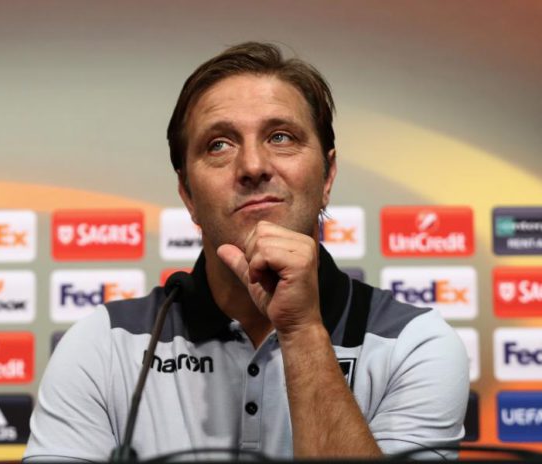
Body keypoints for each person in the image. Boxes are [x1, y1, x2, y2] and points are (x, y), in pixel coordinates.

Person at [24, 42, 469, 461]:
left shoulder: (413, 344)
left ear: (328, 175)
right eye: (219, 144)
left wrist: (301, 331)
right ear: (187, 194)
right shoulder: (102, 345)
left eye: (281, 137)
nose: (253, 166)